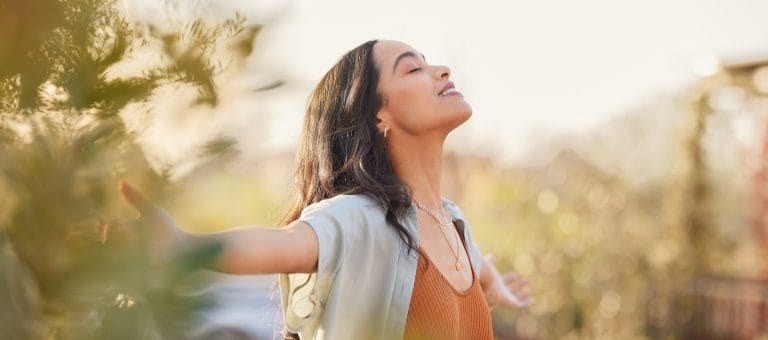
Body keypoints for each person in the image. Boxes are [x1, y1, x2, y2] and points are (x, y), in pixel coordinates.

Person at [115, 39, 532, 340]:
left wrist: (491, 288)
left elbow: (473, 272)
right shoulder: (361, 218)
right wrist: (183, 247)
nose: (442, 70)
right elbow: (285, 243)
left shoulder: (453, 221)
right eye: (413, 69)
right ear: (378, 116)